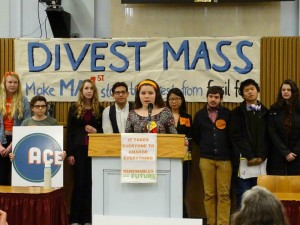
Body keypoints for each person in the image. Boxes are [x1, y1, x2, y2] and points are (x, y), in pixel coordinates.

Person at [192, 86, 232, 225]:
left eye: (216, 97)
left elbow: (231, 135)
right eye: (211, 96)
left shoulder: (228, 114)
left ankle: (222, 223)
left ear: (221, 99)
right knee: (209, 194)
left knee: (224, 195)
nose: (213, 99)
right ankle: (211, 222)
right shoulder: (199, 115)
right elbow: (196, 136)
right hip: (206, 159)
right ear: (207, 97)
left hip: (225, 160)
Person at [66, 79, 103, 225]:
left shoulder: (99, 108)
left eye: (91, 88)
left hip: (94, 150)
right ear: (81, 91)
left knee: (90, 184)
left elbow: (104, 130)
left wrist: (96, 131)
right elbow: (70, 132)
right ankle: (74, 218)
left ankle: (87, 219)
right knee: (79, 183)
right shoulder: (74, 108)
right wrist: (70, 153)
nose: (88, 91)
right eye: (86, 88)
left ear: (94, 91)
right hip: (78, 150)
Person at [230, 79, 269, 207]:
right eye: (246, 90)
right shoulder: (236, 113)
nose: (250, 92)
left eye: (252, 89)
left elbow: (269, 136)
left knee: (260, 194)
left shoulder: (266, 112)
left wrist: (261, 156)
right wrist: (250, 156)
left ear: (257, 91)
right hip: (244, 160)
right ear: (242, 94)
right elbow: (236, 136)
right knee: (243, 193)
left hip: (262, 160)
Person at [9, 95, 66, 160]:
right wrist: (14, 154)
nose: (40, 108)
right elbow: (19, 143)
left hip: (47, 157)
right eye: (37, 106)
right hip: (28, 157)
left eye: (43, 106)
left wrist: (61, 153)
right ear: (32, 108)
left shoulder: (53, 122)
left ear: (46, 107)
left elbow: (57, 143)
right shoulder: (26, 122)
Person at [0, 71, 30, 185]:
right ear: (4, 83)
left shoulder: (24, 100)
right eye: (10, 82)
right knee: (2, 177)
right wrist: (0, 146)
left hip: (18, 140)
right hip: (1, 141)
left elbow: (26, 122)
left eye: (15, 82)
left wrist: (13, 144)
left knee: (18, 176)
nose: (12, 85)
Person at [166, 87, 192, 218]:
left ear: (181, 100)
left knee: (181, 188)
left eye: (176, 99)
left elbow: (190, 137)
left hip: (184, 157)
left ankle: (182, 216)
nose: (174, 101)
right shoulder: (163, 116)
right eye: (171, 99)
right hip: (167, 156)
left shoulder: (187, 117)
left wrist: (185, 147)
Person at [268, 79, 300, 175]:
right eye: (283, 90)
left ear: (293, 91)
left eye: (289, 90)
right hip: (278, 155)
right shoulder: (274, 108)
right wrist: (285, 152)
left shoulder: (299, 108)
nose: (285, 92)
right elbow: (272, 132)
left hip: (297, 155)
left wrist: (294, 152)